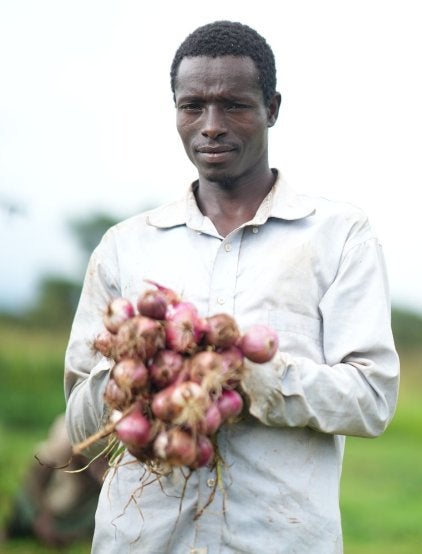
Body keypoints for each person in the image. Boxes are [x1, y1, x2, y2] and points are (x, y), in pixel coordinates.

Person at [64, 20, 400, 553]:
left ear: (273, 108)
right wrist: (138, 373)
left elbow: (372, 398)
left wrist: (247, 378)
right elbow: (79, 407)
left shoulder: (340, 236)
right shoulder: (125, 246)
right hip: (141, 541)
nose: (211, 125)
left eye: (235, 105)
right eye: (192, 105)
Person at [3, 413, 106, 548]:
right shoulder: (59, 449)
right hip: (48, 509)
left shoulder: (100, 453)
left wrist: (96, 472)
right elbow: (33, 484)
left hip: (78, 514)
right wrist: (42, 520)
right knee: (24, 504)